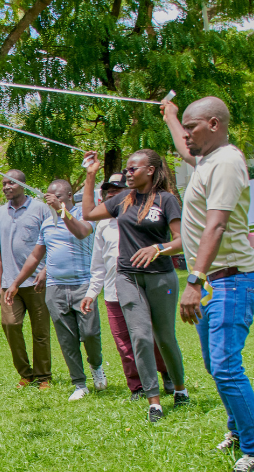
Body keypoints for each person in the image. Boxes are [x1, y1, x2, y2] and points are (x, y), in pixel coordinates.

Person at [163, 96, 254, 472]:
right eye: (185, 129)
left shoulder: (225, 163)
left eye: (192, 128)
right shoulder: (207, 159)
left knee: (225, 366)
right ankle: (240, 432)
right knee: (214, 363)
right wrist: (172, 117)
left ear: (213, 124)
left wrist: (195, 279)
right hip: (215, 281)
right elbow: (183, 146)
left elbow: (216, 226)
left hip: (230, 279)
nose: (186, 136)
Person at [82, 149, 190, 423]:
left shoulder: (167, 201)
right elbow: (87, 213)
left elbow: (181, 241)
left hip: (160, 276)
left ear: (150, 170)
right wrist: (90, 176)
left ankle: (180, 389)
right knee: (140, 336)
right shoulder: (123, 200)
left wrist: (158, 248)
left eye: (134, 169)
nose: (129, 173)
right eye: (127, 169)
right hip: (127, 276)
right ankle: (153, 401)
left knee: (164, 338)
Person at [4, 180, 104, 401]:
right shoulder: (48, 223)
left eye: (57, 196)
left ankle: (96, 366)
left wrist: (62, 211)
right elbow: (35, 256)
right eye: (49, 196)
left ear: (69, 195)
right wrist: (16, 282)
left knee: (89, 333)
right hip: (55, 288)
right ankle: (79, 383)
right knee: (67, 339)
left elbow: (81, 233)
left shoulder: (84, 215)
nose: (51, 199)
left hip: (82, 286)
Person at [81, 174, 174, 400]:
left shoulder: (141, 218)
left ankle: (167, 375)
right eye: (108, 191)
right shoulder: (103, 225)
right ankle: (138, 386)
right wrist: (92, 293)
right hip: (114, 293)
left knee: (150, 336)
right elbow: (99, 264)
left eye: (118, 189)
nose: (113, 194)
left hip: (143, 287)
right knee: (124, 343)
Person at [0, 170, 53, 390]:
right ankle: (26, 373)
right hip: (10, 284)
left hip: (37, 283)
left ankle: (43, 375)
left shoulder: (40, 209)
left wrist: (45, 269)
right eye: (3, 184)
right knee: (10, 324)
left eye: (11, 183)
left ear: (22, 184)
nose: (6, 187)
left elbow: (52, 242)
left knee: (40, 331)